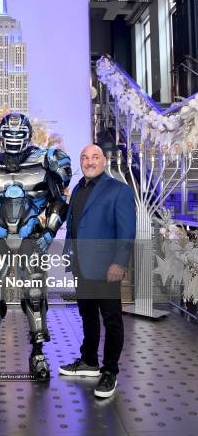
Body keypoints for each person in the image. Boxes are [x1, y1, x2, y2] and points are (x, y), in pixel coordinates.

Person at [0, 113, 71, 379]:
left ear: (29, 134)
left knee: (34, 293)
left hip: (33, 238)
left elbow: (58, 201)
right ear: (0, 134)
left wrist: (49, 233)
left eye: (20, 134)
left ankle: (38, 352)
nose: (15, 139)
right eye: (10, 133)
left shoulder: (45, 160)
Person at [59, 144, 136, 398]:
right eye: (84, 158)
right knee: (87, 314)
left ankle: (110, 371)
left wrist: (119, 263)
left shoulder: (119, 191)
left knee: (111, 319)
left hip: (106, 268)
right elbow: (73, 224)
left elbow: (126, 231)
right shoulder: (79, 188)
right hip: (82, 264)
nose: (89, 162)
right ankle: (89, 361)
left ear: (104, 161)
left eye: (94, 157)